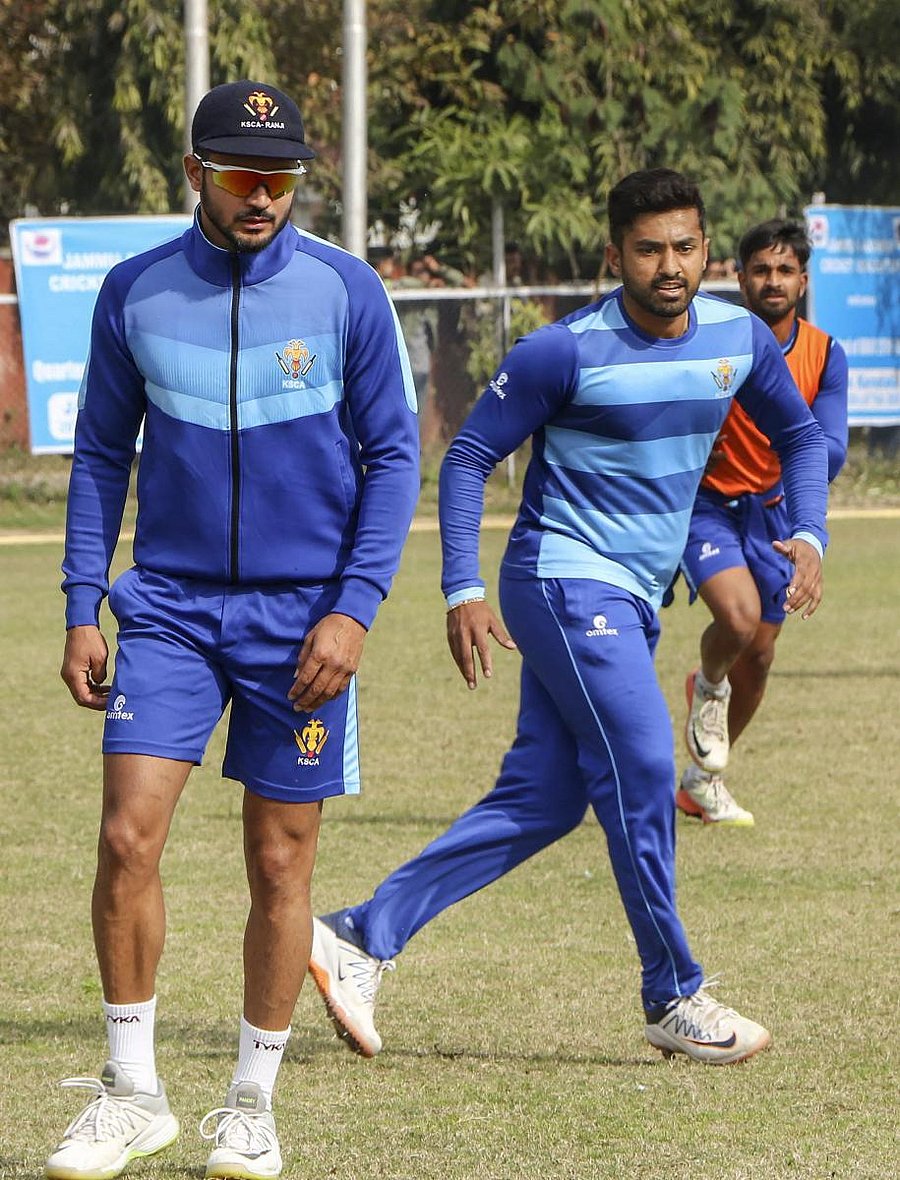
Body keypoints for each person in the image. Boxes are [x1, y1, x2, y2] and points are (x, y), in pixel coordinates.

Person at [306, 170, 829, 1068]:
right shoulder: (564, 351)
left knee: (543, 800)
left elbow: (802, 436)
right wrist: (461, 588)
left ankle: (359, 934)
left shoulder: (739, 338)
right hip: (561, 584)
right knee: (645, 763)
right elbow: (468, 457)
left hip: (631, 596)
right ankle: (672, 992)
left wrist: (810, 530)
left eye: (686, 247)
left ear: (707, 250)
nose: (670, 266)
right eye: (649, 249)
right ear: (613, 254)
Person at [47, 79, 419, 1180]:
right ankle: (131, 1093)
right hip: (165, 605)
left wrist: (353, 609)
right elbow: (102, 456)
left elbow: (396, 456)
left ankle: (250, 1101)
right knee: (127, 836)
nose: (264, 197)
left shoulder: (349, 292)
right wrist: (81, 603)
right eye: (243, 175)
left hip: (305, 619)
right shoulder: (135, 293)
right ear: (196, 175)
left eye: (284, 177)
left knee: (278, 858)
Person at [678, 219, 848, 825]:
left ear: (802, 281)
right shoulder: (714, 339)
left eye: (784, 271)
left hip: (773, 510)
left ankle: (701, 782)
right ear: (738, 275)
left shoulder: (824, 353)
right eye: (760, 269)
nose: (772, 281)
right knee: (739, 617)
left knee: (761, 655)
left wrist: (790, 441)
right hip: (707, 502)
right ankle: (708, 685)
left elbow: (830, 446)